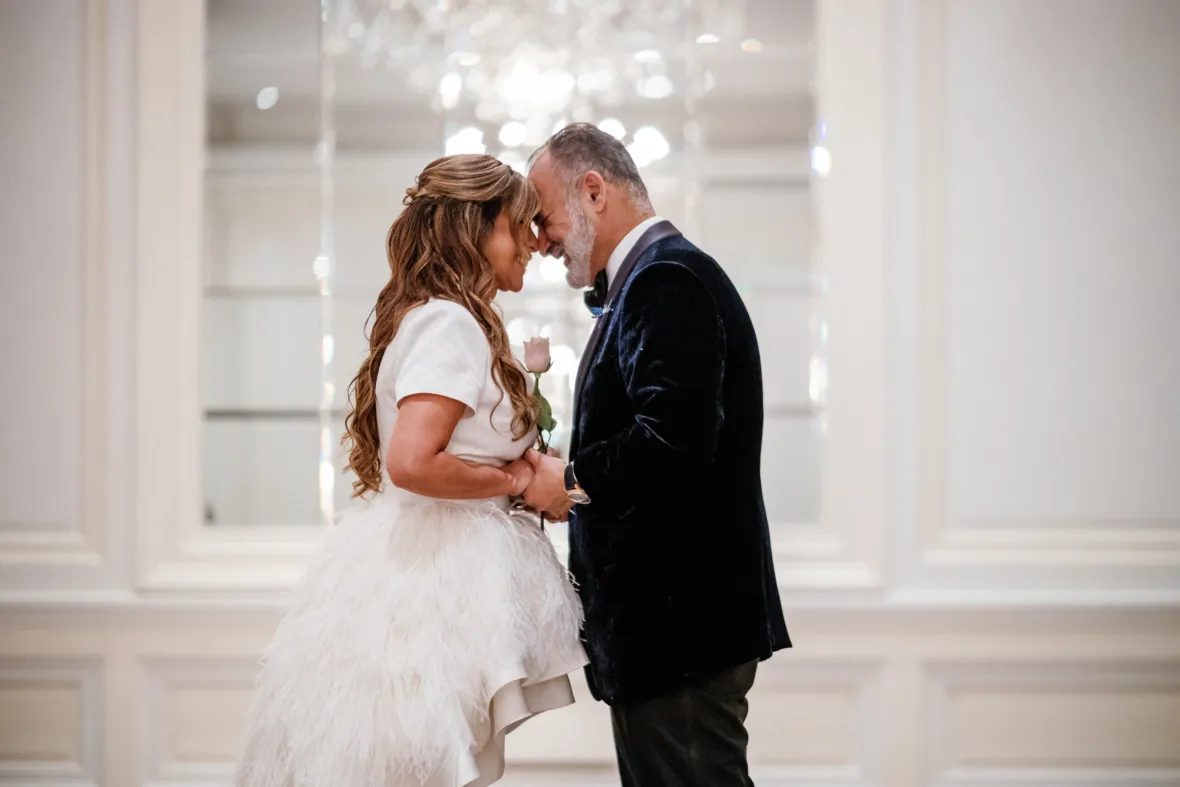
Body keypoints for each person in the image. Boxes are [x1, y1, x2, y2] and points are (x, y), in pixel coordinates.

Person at [235, 154, 588, 787]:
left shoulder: (450, 318)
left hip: (430, 566)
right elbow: (412, 462)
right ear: (474, 230)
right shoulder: (450, 324)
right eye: (519, 225)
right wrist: (514, 481)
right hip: (433, 584)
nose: (535, 243)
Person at [521, 123, 792, 787]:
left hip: (681, 629)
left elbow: (674, 443)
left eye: (543, 216)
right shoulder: (650, 279)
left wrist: (573, 482)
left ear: (593, 192)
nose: (540, 239)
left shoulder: (665, 279)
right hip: (668, 632)